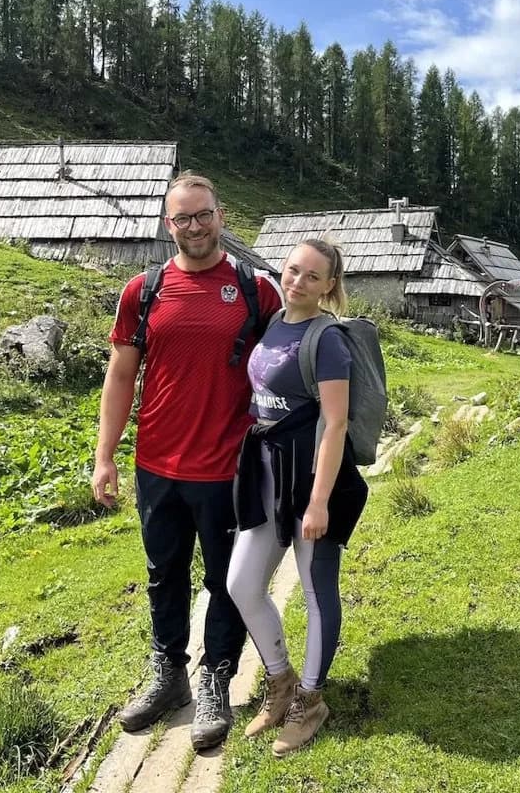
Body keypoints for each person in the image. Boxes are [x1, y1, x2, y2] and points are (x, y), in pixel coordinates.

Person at [92, 172, 282, 751]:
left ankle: (216, 679)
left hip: (230, 467)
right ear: (167, 224)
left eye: (203, 215)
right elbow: (121, 376)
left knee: (226, 580)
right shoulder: (142, 291)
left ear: (221, 216)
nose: (194, 226)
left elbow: (288, 368)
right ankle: (169, 674)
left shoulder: (257, 290)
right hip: (157, 465)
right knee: (163, 575)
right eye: (182, 218)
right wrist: (105, 457)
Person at [226, 238, 368, 757]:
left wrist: (319, 502)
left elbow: (335, 422)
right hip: (266, 476)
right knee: (241, 583)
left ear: (330, 285)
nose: (299, 282)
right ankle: (281, 681)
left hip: (312, 482)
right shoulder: (272, 324)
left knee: (314, 586)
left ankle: (311, 699)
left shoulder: (326, 338)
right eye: (293, 271)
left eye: (313, 276)